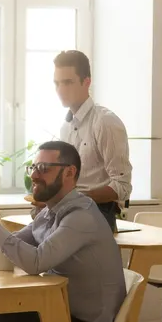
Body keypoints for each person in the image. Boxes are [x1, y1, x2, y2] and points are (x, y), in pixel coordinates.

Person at [0, 141, 126, 322]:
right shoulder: (51, 210)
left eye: (43, 168)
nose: (34, 176)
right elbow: (17, 242)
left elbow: (36, 262)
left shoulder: (81, 216)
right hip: (62, 313)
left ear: (69, 173)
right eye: (33, 168)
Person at [50, 50, 132, 232]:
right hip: (70, 212)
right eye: (57, 83)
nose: (60, 90)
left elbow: (122, 186)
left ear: (87, 82)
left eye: (68, 82)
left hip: (98, 214)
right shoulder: (66, 127)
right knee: (19, 236)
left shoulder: (105, 122)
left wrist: (77, 198)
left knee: (37, 246)